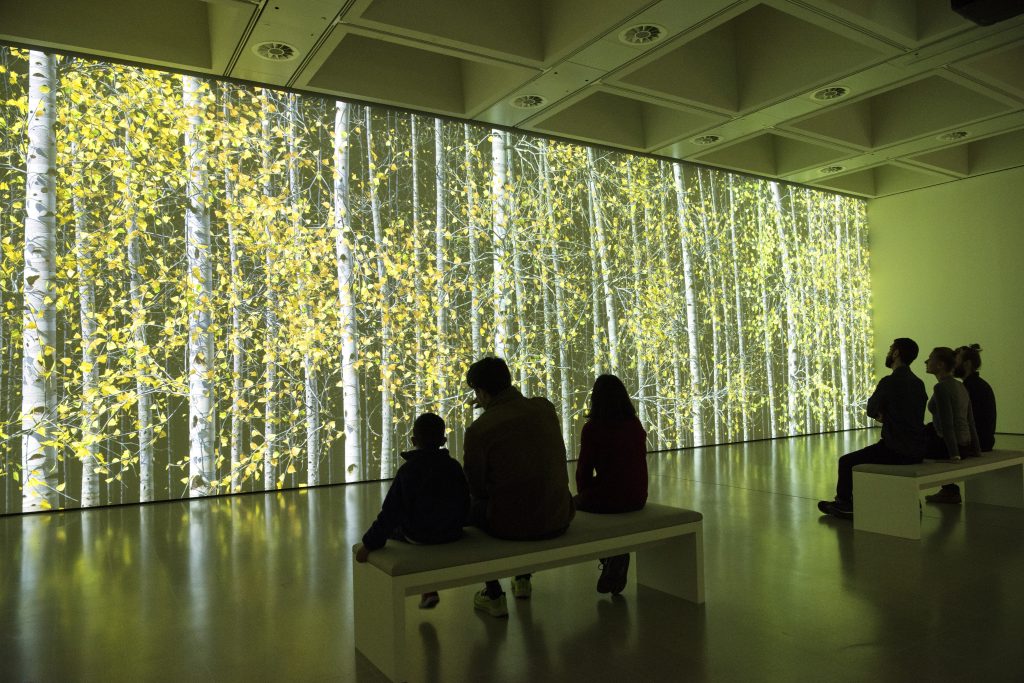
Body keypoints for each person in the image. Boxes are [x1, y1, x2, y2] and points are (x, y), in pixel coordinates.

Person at [463, 357, 575, 617]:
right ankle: (522, 580)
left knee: (470, 506)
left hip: (511, 525)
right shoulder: (545, 408)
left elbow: (476, 487)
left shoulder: (480, 430)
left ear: (481, 392)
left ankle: (493, 594)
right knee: (525, 491)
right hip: (559, 515)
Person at [354, 412, 470, 609]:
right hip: (453, 532)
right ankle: (428, 589)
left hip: (419, 536)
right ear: (443, 440)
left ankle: (428, 589)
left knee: (396, 529)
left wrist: (368, 544)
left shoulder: (409, 471)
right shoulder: (454, 466)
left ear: (413, 440)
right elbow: (465, 502)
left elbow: (390, 513)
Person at [818, 338, 927, 520]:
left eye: (891, 348)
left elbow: (871, 409)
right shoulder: (918, 383)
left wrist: (882, 413)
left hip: (895, 449)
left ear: (897, 353)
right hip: (917, 449)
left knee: (846, 462)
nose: (888, 352)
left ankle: (844, 504)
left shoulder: (889, 382)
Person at [575, 374, 648, 595]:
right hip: (638, 497)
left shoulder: (593, 428)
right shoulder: (634, 425)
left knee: (574, 506)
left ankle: (610, 556)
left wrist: (583, 496)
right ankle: (612, 558)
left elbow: (583, 472)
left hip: (609, 498)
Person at [926, 343, 996, 504]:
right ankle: (949, 490)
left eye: (956, 358)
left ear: (967, 364)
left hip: (968, 441)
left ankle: (949, 490)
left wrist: (956, 454)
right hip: (973, 440)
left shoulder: (965, 387)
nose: (954, 361)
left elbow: (952, 423)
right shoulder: (968, 386)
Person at [922, 346, 980, 462]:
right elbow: (970, 422)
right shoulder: (961, 386)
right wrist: (976, 449)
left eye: (930, 358)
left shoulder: (941, 387)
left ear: (940, 365)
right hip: (964, 446)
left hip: (948, 447)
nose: (926, 361)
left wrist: (954, 455)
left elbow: (947, 424)